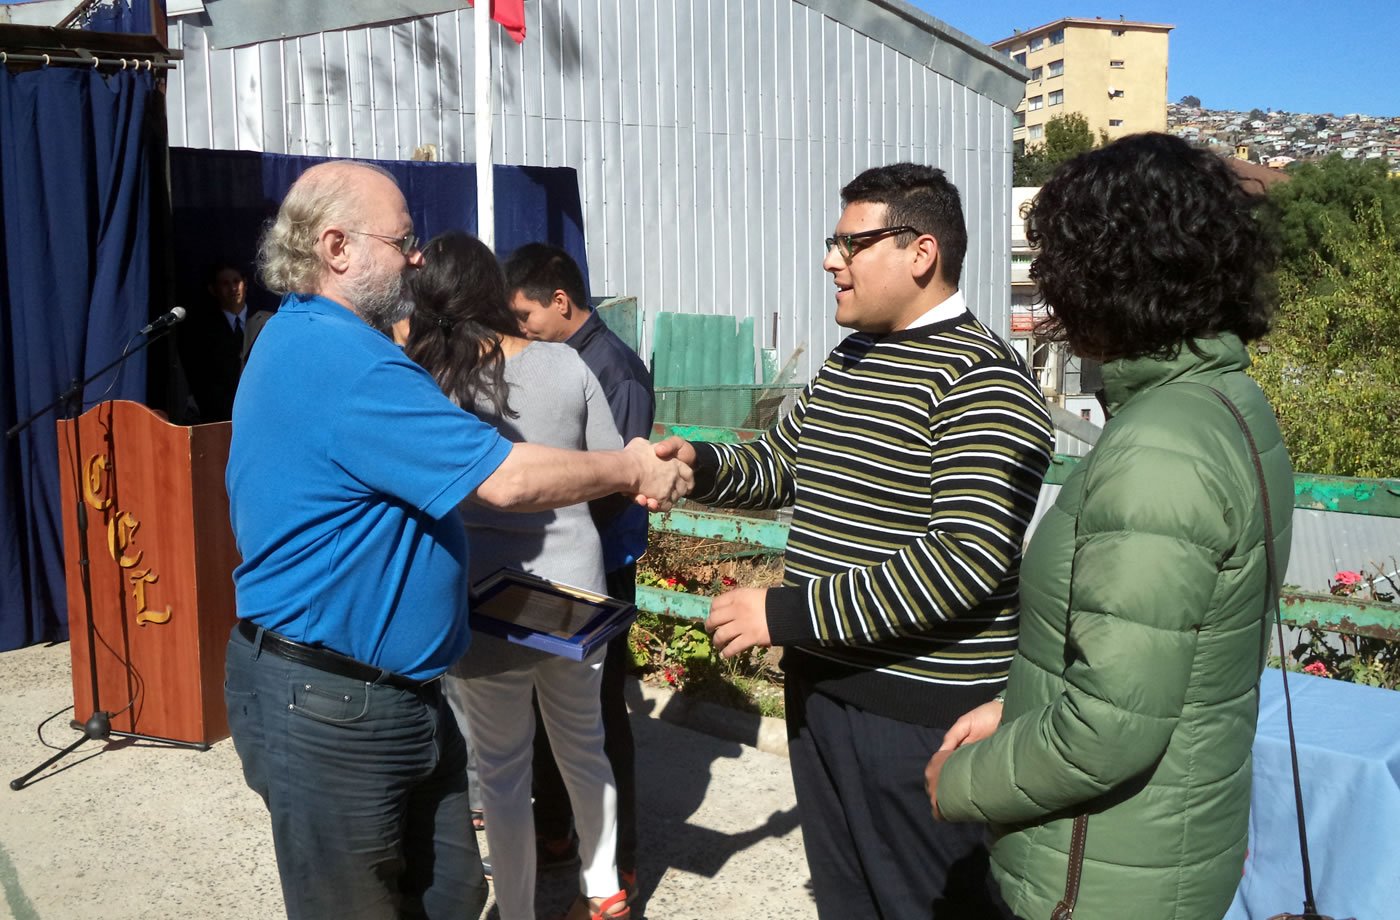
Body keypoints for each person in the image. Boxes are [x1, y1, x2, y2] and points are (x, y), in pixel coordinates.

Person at [222, 161, 690, 920]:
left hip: (386, 690)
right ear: (336, 247)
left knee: (452, 886)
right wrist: (632, 462)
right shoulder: (350, 362)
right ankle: (600, 888)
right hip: (331, 699)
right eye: (403, 240)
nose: (416, 257)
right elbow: (503, 479)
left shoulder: (307, 337)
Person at [654, 163, 1054, 919]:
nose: (831, 261)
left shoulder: (983, 381)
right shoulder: (852, 361)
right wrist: (698, 465)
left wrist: (785, 615)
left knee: (927, 904)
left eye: (850, 243)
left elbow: (962, 560)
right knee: (848, 901)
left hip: (922, 717)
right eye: (833, 243)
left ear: (921, 253)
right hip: (824, 696)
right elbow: (779, 464)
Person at [926, 133, 1291, 920]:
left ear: (1106, 275)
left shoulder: (1160, 447)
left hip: (1098, 880)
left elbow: (1109, 730)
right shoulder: (1227, 401)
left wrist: (960, 784)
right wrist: (1021, 703)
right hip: (1163, 852)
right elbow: (1161, 659)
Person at [402, 231, 631, 920]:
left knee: (500, 773)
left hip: (482, 596)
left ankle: (519, 910)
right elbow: (610, 465)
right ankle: (605, 890)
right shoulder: (564, 364)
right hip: (574, 587)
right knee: (584, 748)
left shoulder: (424, 382)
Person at [505, 242, 653, 900]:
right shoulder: (553, 360)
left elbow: (616, 482)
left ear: (560, 302)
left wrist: (540, 500)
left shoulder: (614, 369)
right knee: (543, 699)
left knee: (597, 714)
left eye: (526, 314)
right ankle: (558, 830)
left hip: (598, 564)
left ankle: (617, 866)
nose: (521, 328)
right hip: (551, 560)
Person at [177, 263, 268, 421]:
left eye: (236, 281)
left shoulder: (266, 321)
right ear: (213, 290)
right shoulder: (202, 332)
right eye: (225, 284)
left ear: (245, 284)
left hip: (260, 414)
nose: (233, 288)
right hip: (219, 419)